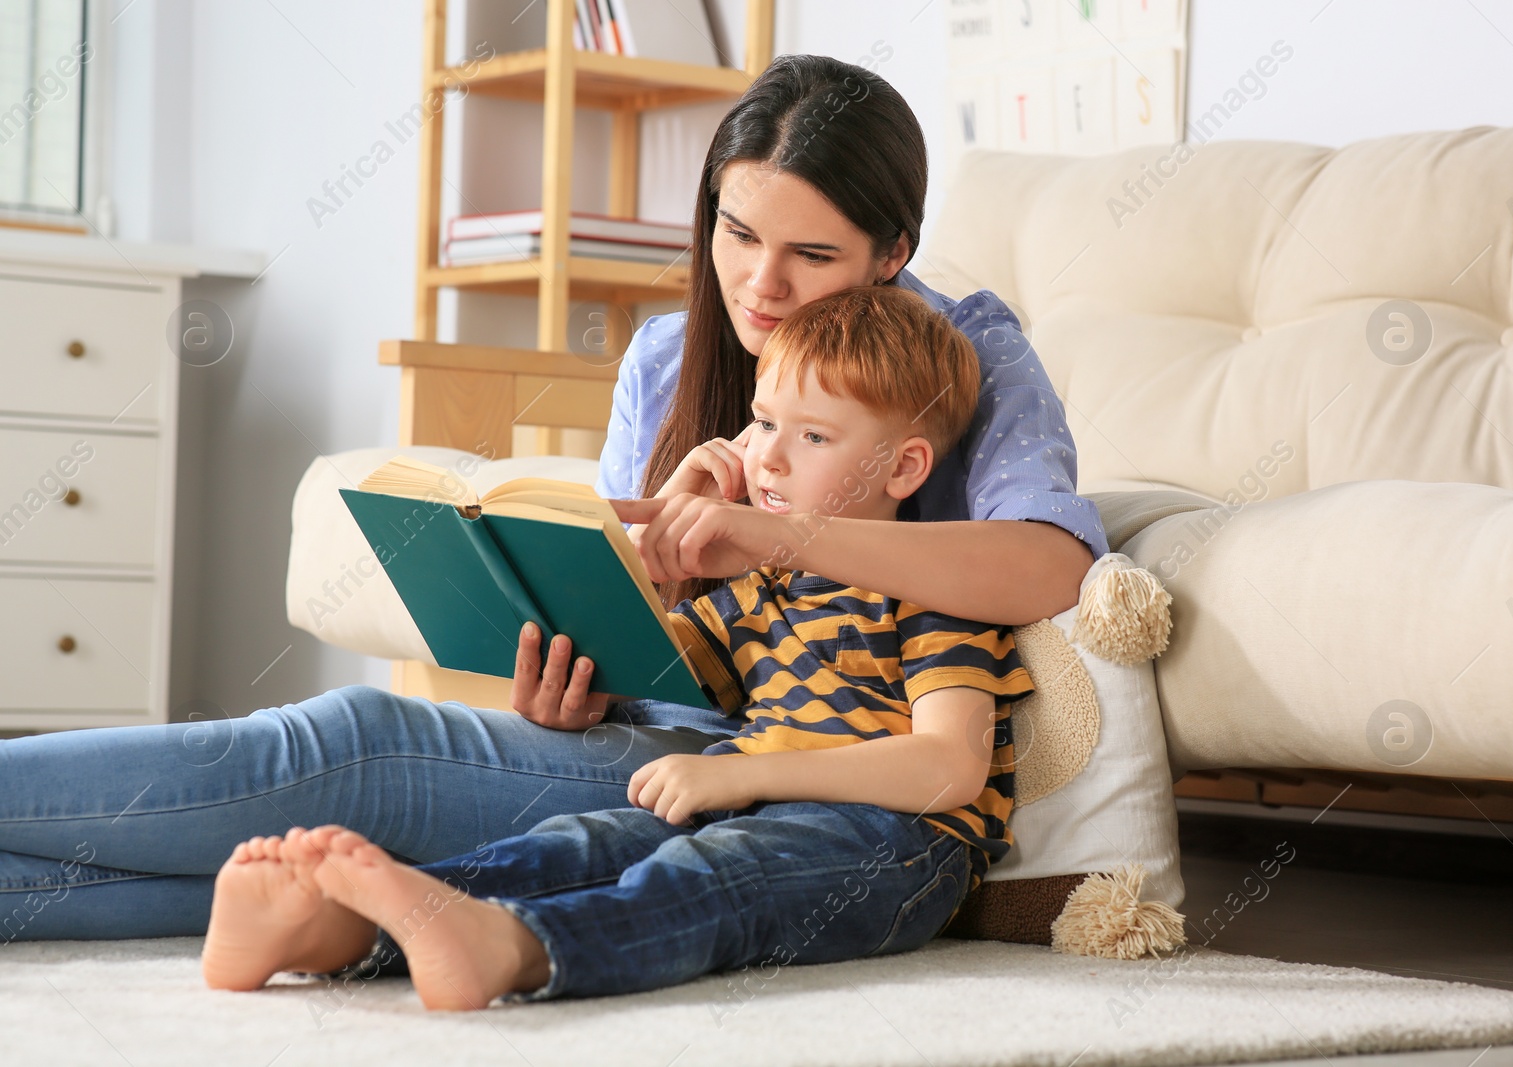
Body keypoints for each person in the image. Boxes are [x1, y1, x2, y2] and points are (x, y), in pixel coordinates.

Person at [0, 54, 1104, 943]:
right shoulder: (669, 355)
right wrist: (580, 672)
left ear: (891, 252)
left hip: (773, 776)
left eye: (810, 254)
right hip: (646, 747)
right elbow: (653, 644)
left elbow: (1049, 564)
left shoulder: (970, 353)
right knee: (338, 820)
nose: (760, 285)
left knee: (351, 749)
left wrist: (775, 527)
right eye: (736, 232)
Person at [199, 286, 1034, 1009]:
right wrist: (593, 640)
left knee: (719, 874)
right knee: (587, 841)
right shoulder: (758, 590)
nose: (769, 456)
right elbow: (655, 668)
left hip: (900, 849)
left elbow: (946, 767)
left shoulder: (933, 591)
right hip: (754, 804)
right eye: (764, 421)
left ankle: (516, 949)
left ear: (904, 466)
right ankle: (342, 931)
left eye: (814, 437)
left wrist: (742, 771)